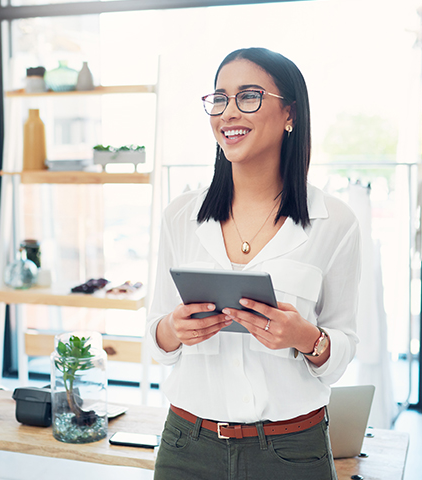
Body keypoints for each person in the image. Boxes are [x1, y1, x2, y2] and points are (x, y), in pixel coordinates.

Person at [145, 48, 362, 479]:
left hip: (290, 452)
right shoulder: (181, 216)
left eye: (248, 96)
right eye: (219, 99)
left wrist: (306, 337)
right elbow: (158, 339)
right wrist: (174, 329)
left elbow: (344, 346)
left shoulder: (334, 222)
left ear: (290, 114)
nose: (228, 112)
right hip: (187, 446)